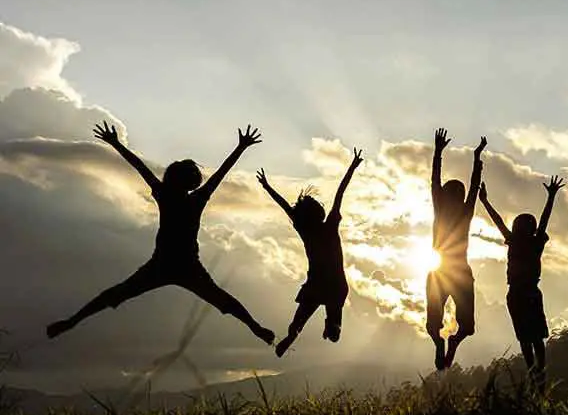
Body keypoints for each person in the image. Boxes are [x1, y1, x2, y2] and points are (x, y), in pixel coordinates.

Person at [46, 121, 275, 344]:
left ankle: (72, 321)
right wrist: (240, 148)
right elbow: (218, 174)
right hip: (178, 265)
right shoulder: (193, 198)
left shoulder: (167, 194)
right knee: (222, 300)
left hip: (170, 265)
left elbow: (140, 166)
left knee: (115, 294)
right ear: (191, 181)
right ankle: (256, 328)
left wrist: (115, 143)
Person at [257, 148, 363, 357]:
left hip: (315, 285)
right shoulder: (330, 226)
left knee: (298, 321)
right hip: (335, 286)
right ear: (319, 214)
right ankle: (331, 326)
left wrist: (267, 186)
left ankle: (292, 336)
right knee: (334, 328)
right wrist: (352, 166)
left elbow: (285, 207)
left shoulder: (306, 230)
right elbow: (340, 193)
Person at [479, 175, 565, 391]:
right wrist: (485, 202)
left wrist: (485, 201)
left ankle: (538, 371)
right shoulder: (528, 242)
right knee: (530, 337)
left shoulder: (529, 242)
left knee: (531, 337)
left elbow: (501, 221)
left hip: (523, 293)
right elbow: (499, 221)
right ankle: (537, 371)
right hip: (522, 293)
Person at [428, 127, 486, 370]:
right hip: (451, 271)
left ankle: (448, 344)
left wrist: (440, 152)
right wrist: (475, 159)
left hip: (446, 271)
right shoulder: (460, 212)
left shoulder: (452, 211)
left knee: (462, 327)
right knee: (437, 324)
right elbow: (467, 187)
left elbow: (439, 183)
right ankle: (443, 345)